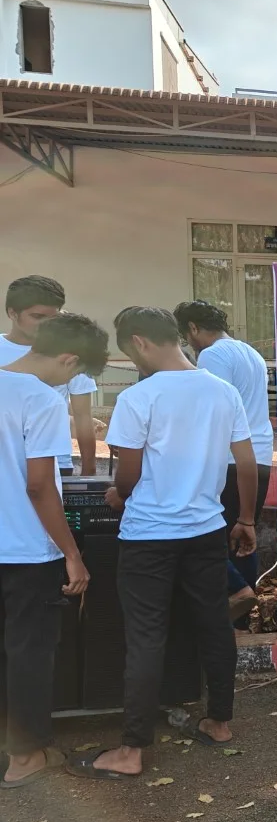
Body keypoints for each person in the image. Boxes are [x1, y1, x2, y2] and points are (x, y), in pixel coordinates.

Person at [67, 307, 256, 781]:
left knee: (145, 637)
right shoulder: (223, 391)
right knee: (214, 625)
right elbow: (245, 461)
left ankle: (132, 750)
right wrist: (247, 519)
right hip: (206, 530)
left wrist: (118, 493)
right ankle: (219, 723)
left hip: (149, 536)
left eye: (131, 354)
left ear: (139, 342)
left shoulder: (139, 397)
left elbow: (127, 475)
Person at [1, 314, 108, 788]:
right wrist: (72, 553)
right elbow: (40, 485)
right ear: (68, 360)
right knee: (29, 653)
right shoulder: (40, 399)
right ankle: (25, 758)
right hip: (27, 551)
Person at [174, 301, 273, 625]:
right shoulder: (250, 353)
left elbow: (213, 408)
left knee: (210, 533)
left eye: (186, 337)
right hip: (258, 456)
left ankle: (233, 598)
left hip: (230, 457)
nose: (189, 345)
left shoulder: (212, 355)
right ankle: (241, 617)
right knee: (243, 532)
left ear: (192, 328)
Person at [1, 276, 99, 477]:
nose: (46, 325)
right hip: (6, 461)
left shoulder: (71, 351)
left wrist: (89, 470)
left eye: (53, 319)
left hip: (55, 460)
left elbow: (83, 416)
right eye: (37, 316)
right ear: (12, 313)